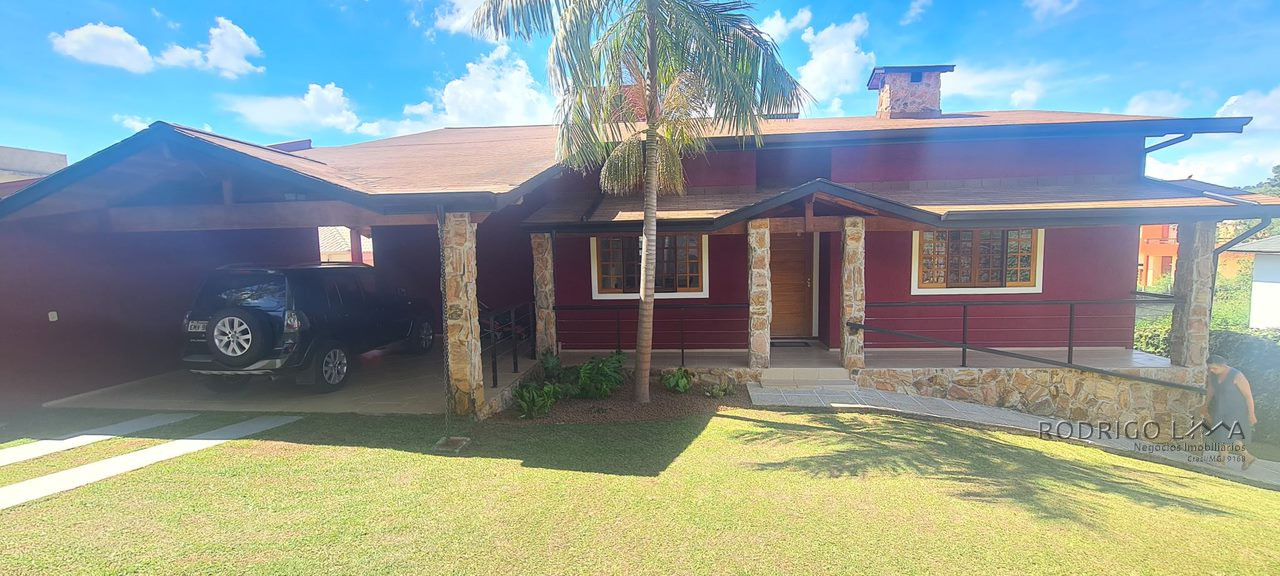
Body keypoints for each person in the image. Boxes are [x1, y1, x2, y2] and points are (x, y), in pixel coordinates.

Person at [1202, 355, 1258, 470]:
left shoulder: (1237, 375)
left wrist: (1251, 414)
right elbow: (1210, 391)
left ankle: (1222, 461)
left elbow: (1248, 396)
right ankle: (1247, 457)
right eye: (1209, 368)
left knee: (1225, 433)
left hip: (1236, 410)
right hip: (1220, 408)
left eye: (1214, 368)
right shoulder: (1212, 375)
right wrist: (1205, 406)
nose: (1211, 370)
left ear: (1223, 366)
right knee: (1231, 436)